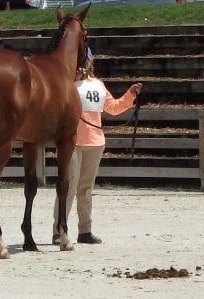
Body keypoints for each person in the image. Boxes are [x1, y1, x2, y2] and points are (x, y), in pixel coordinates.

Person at [52, 48, 142, 245]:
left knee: (85, 189)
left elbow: (114, 108)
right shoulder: (67, 85)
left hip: (95, 142)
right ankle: (59, 229)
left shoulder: (99, 86)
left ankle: (85, 230)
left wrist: (130, 95)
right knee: (67, 188)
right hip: (72, 143)